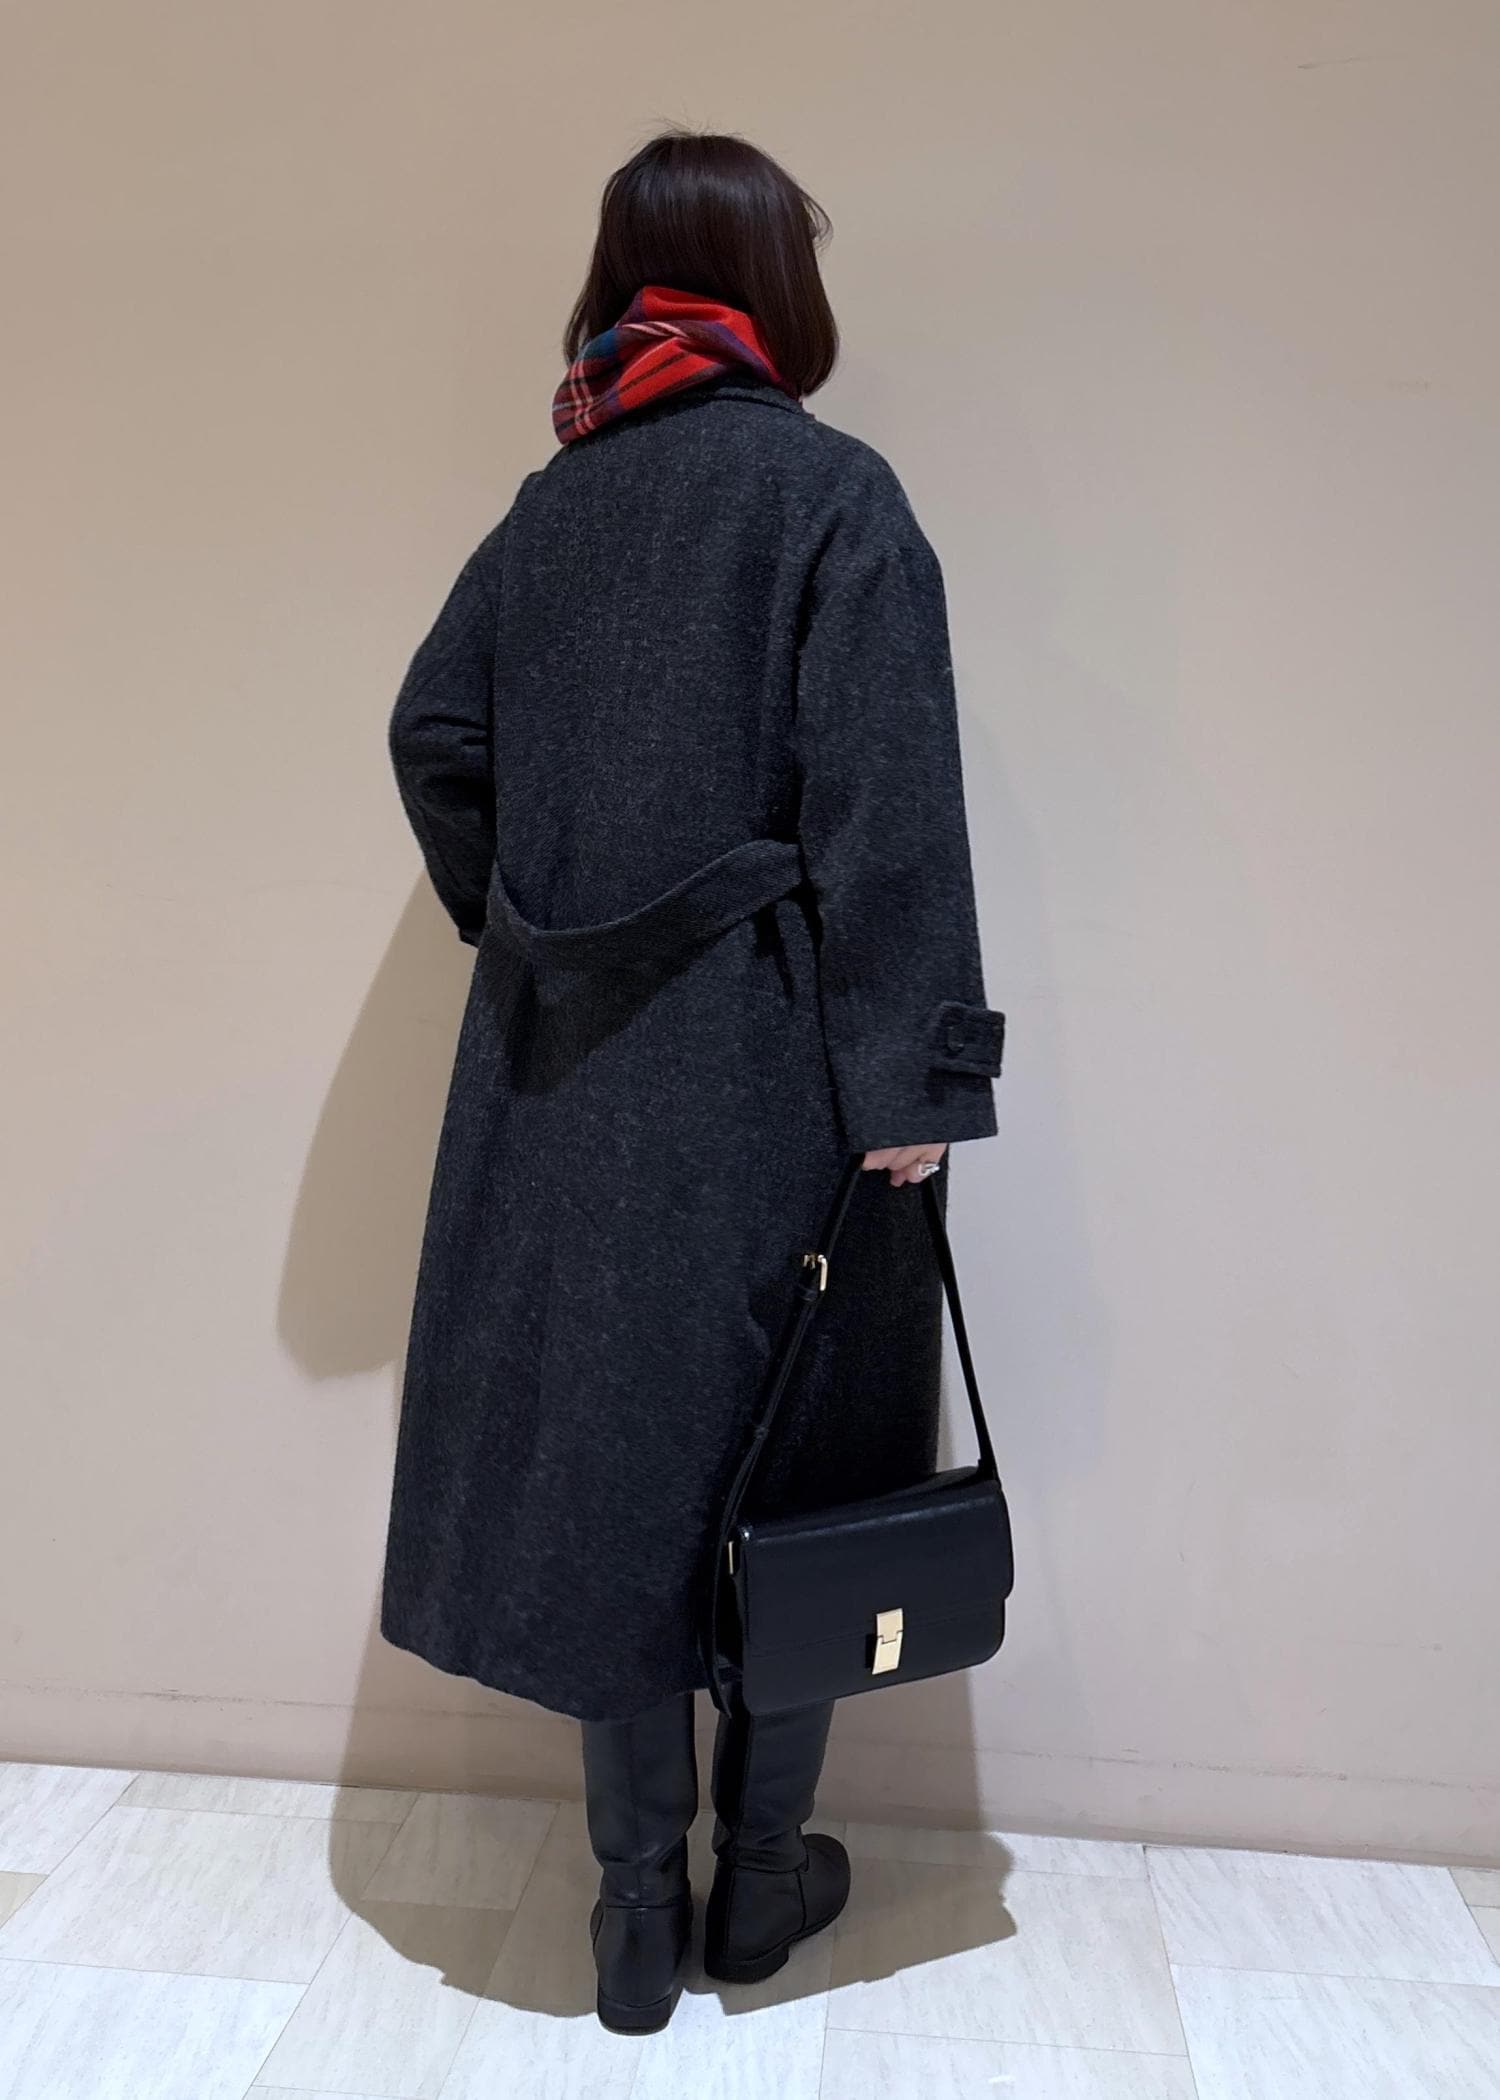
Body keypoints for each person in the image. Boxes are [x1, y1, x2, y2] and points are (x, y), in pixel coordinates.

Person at [379, 128, 1004, 2035]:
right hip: (776, 1082)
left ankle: (633, 1910)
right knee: (789, 1470)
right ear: (771, 280)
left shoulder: (551, 509)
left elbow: (435, 733)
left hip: (565, 1089)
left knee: (613, 1474)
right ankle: (760, 1887)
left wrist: (536, 930)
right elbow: (888, 810)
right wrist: (913, 1080)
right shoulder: (830, 495)